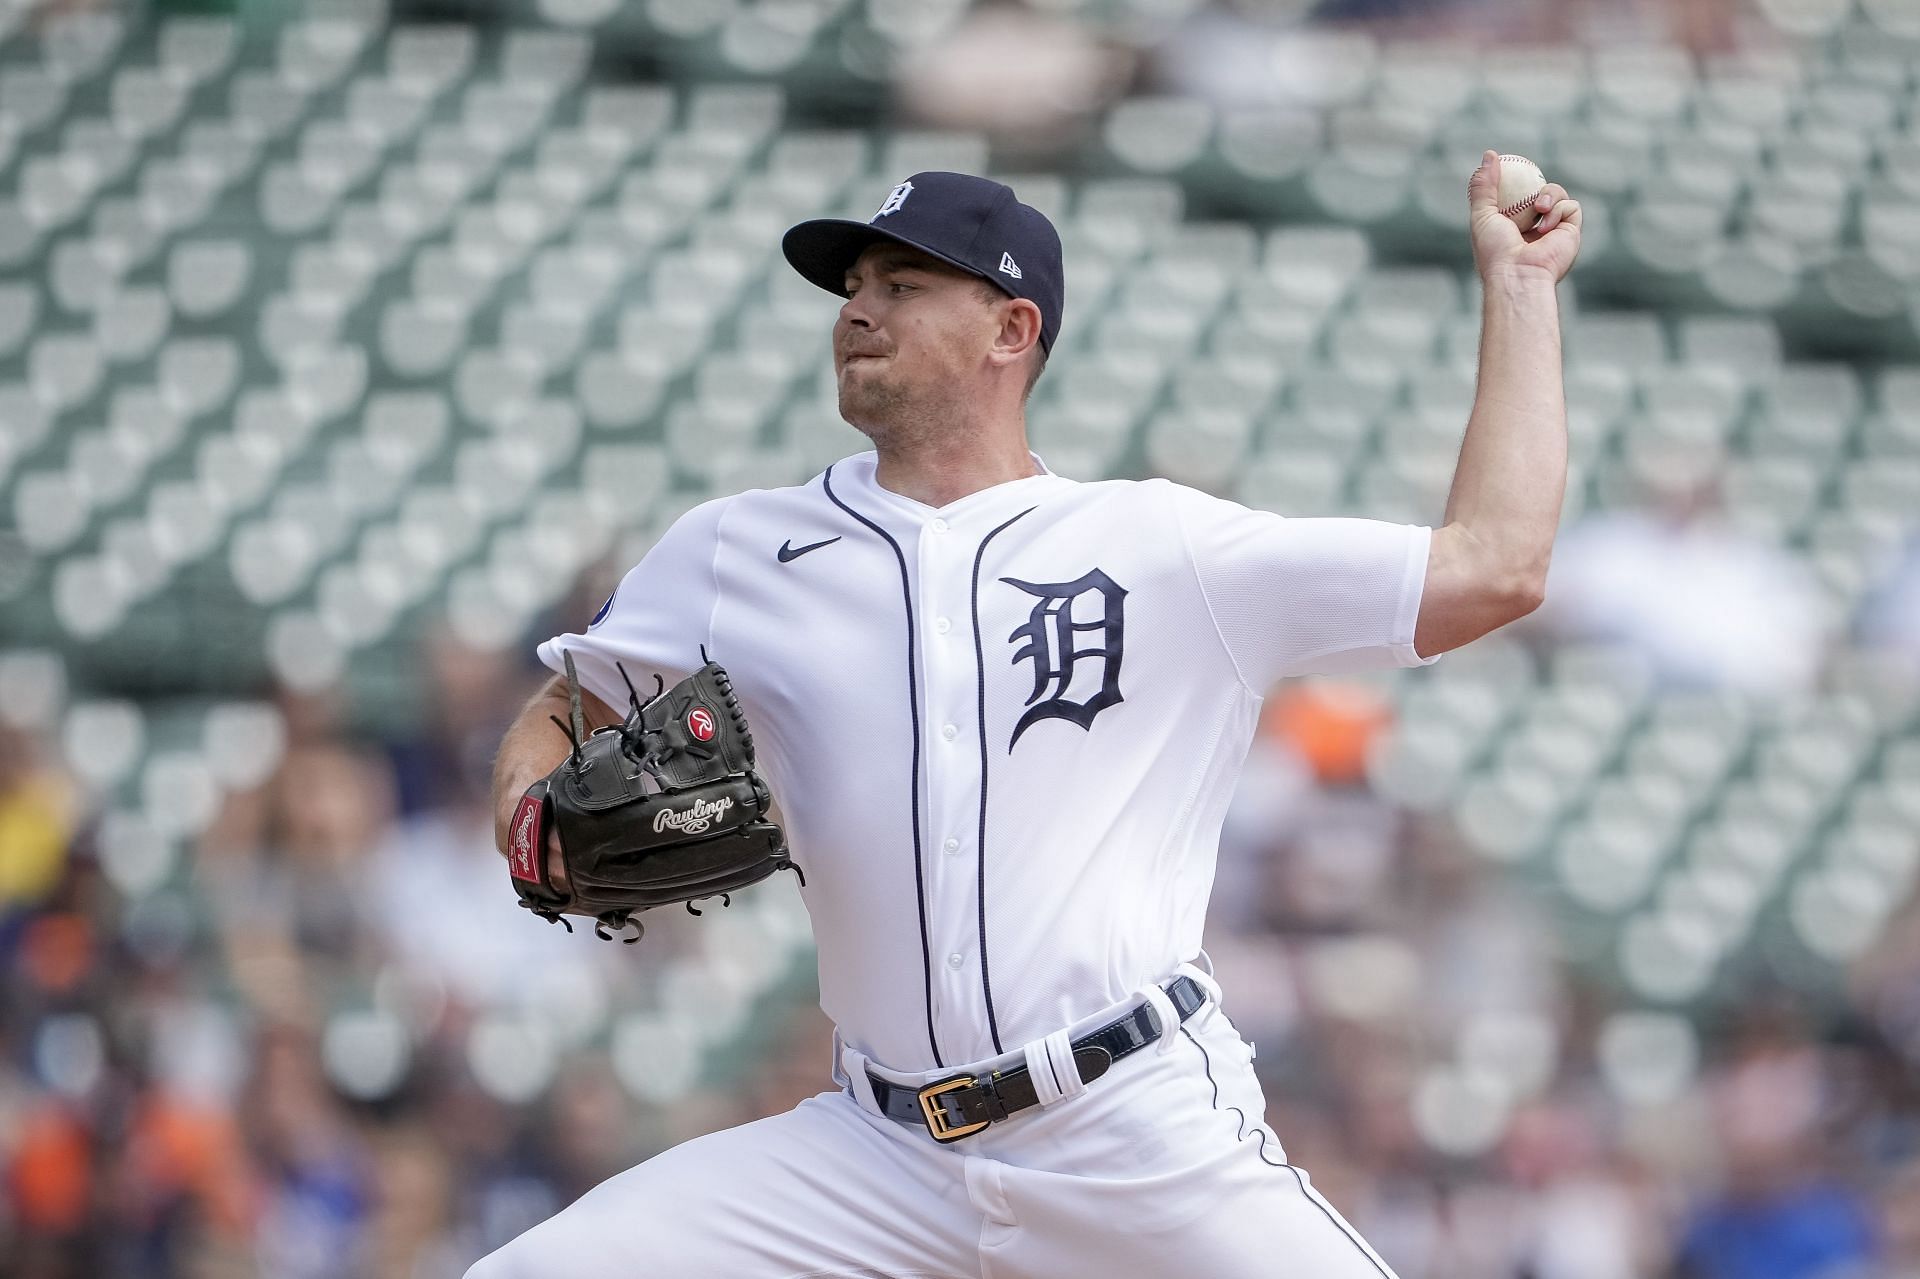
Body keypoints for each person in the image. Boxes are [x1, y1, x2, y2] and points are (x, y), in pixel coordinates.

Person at [471, 154, 1581, 1277]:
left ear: (1011, 330)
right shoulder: (735, 549)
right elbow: (570, 703)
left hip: (1132, 1133)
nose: (857, 309)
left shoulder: (1165, 550)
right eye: (853, 284)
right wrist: (529, 805)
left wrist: (1522, 291)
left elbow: (1496, 567)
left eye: (902, 284)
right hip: (874, 1156)